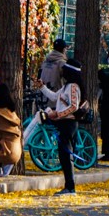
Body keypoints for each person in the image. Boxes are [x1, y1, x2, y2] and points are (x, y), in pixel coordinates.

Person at [40, 62, 83, 195]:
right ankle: (68, 185)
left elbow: (74, 106)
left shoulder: (73, 87)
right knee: (63, 155)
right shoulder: (66, 87)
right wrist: (42, 87)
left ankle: (70, 187)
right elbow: (54, 97)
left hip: (68, 124)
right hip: (63, 123)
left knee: (66, 154)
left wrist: (58, 114)